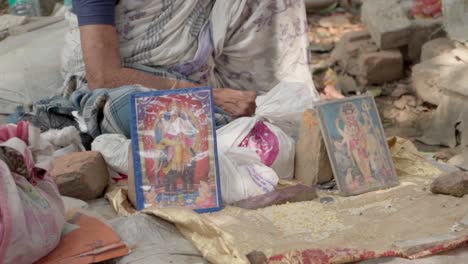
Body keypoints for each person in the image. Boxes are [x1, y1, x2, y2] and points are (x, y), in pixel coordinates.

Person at [63, 0, 343, 138]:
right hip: (127, 82)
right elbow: (103, 76)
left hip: (197, 70)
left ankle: (278, 109)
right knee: (129, 112)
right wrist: (208, 97)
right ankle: (245, 122)